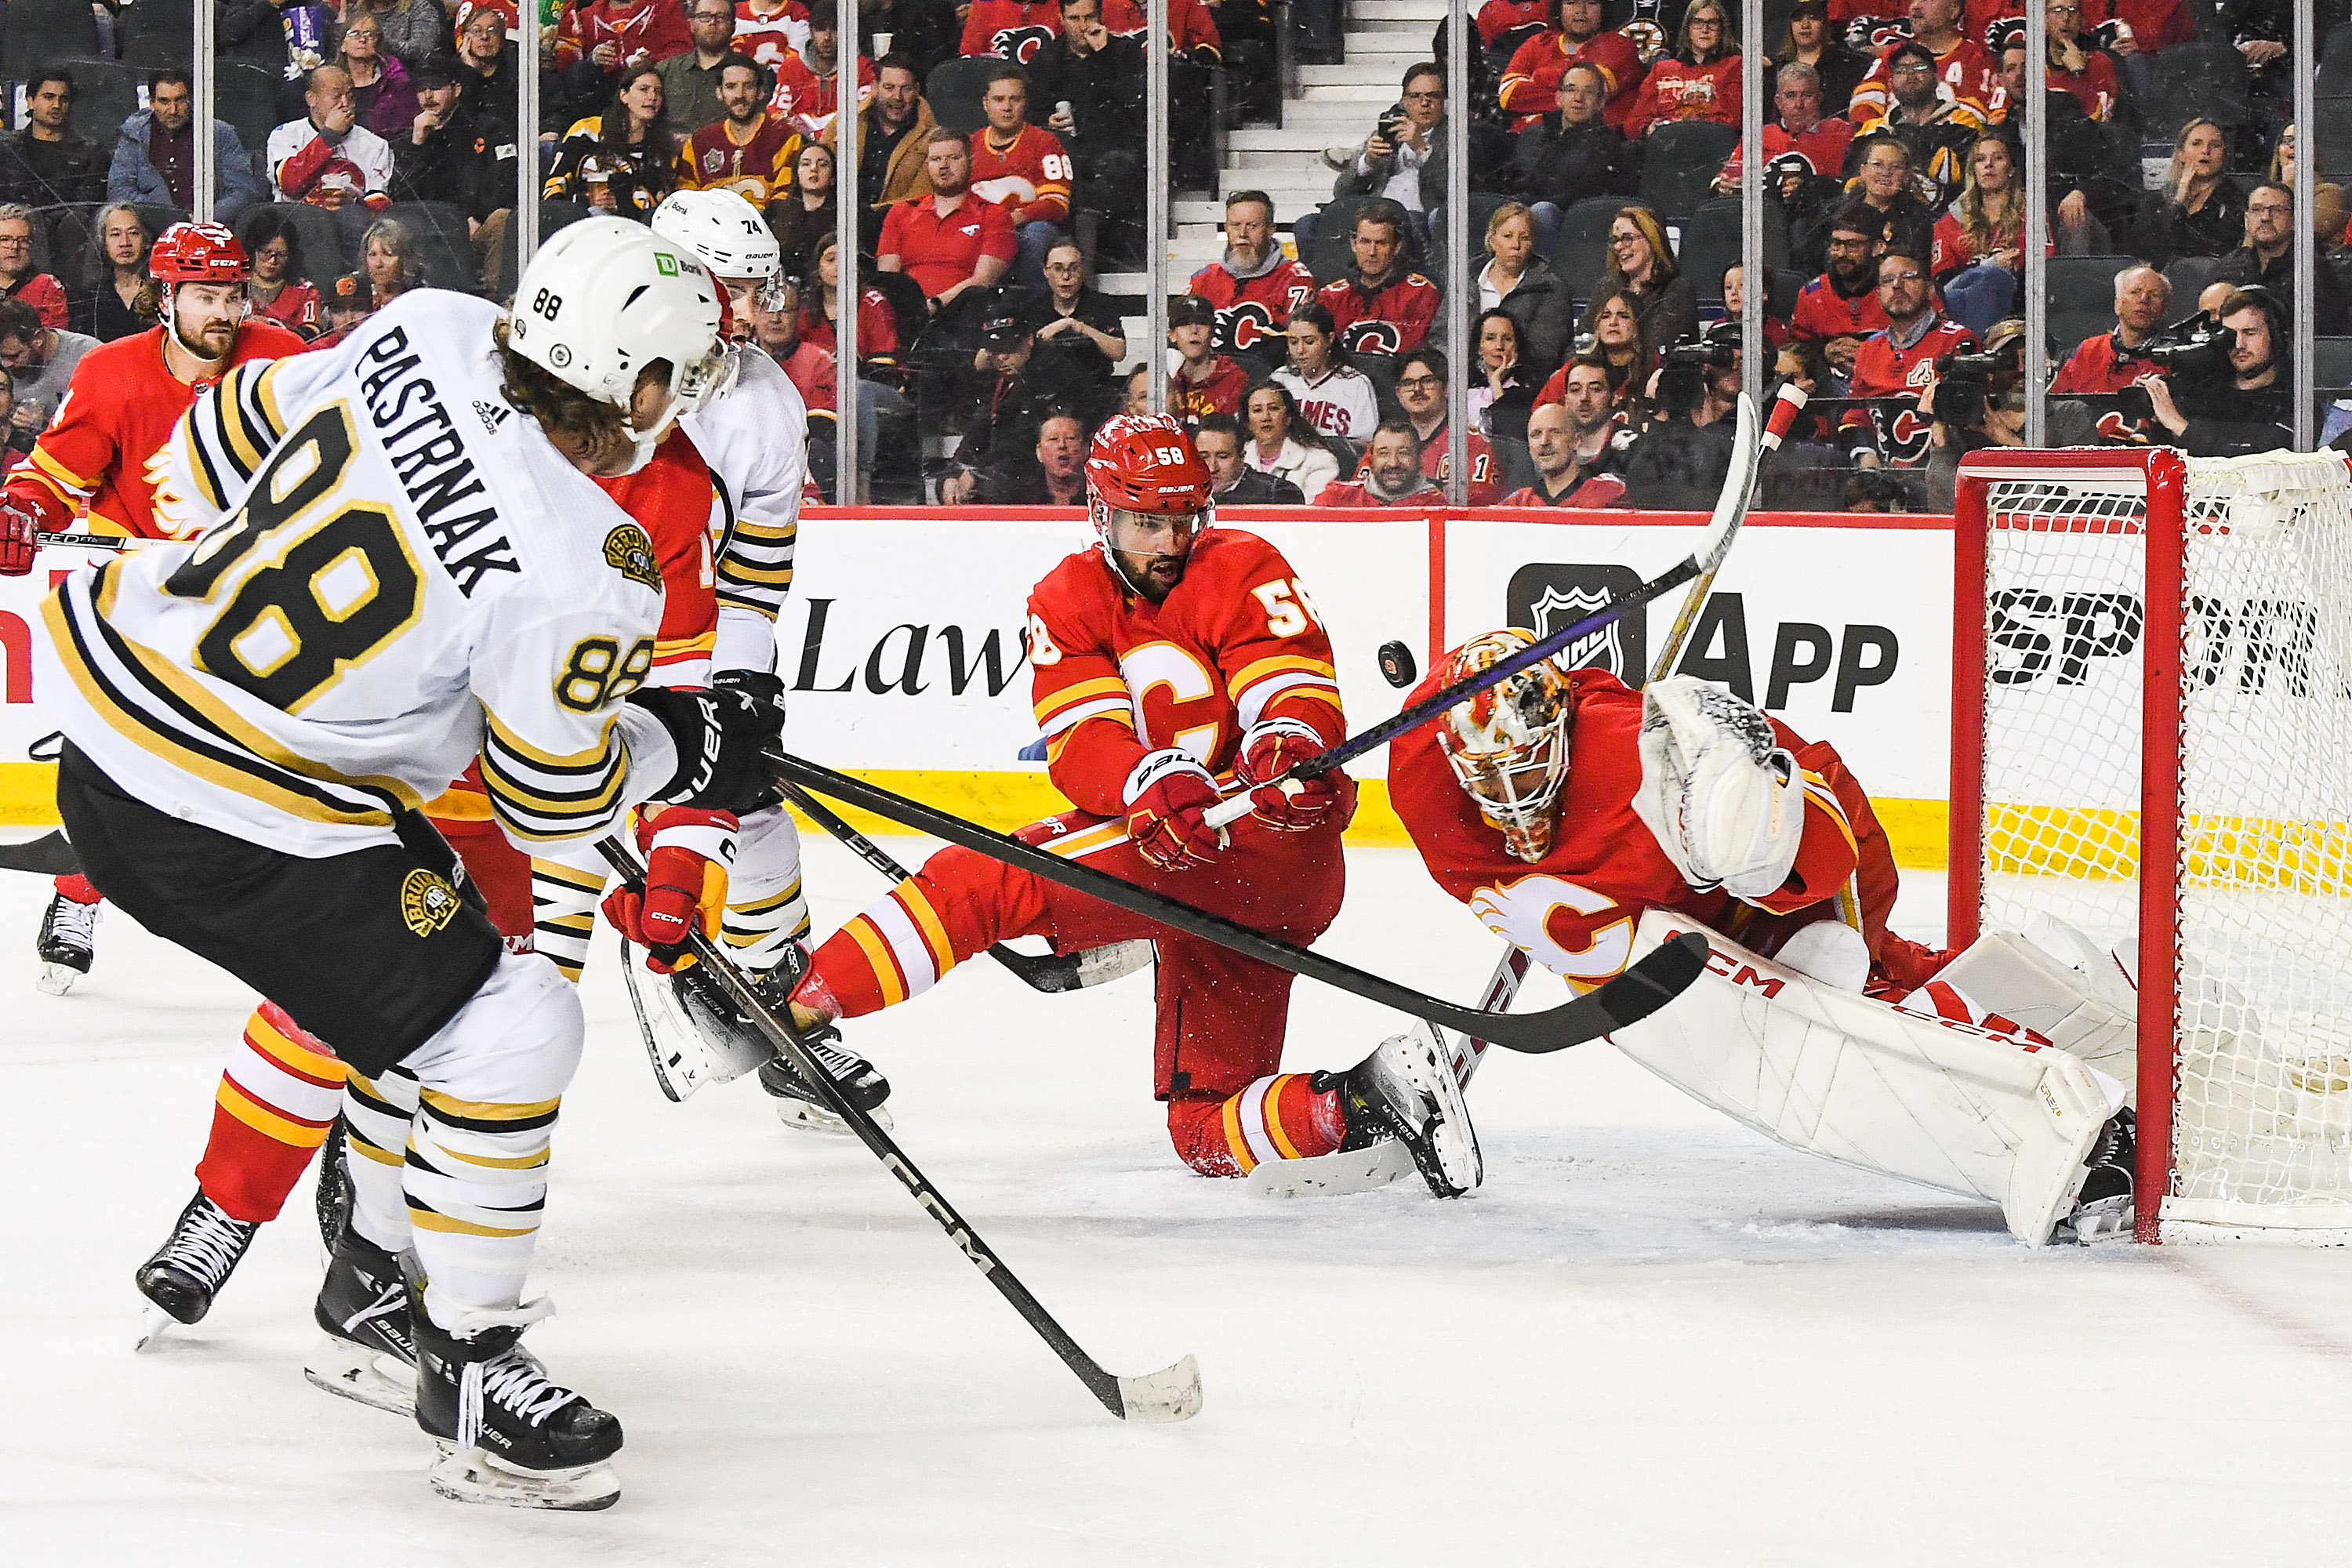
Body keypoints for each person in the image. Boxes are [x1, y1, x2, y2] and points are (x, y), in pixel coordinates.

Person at [9, 215, 750, 1511]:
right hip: (235, 818)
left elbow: (226, 430)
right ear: (636, 384)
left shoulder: (432, 326)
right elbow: (553, 796)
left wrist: (216, 568)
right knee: (513, 1029)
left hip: (109, 724)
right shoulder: (594, 567)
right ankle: (462, 1359)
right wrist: (683, 743)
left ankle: (364, 1269)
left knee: (403, 995)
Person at [776, 415, 1475, 1192]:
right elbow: (1083, 741)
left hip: (1258, 841)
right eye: (1148, 521)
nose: (1168, 541)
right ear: (1103, 513)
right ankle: (1370, 1097)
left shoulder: (1245, 565)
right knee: (1204, 1127)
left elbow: (1289, 686)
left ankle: (801, 1000)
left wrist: (1286, 747)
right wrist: (1152, 775)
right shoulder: (1068, 597)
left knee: (986, 878)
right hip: (1189, 856)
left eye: (1181, 519)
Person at [1384, 632, 2134, 1244]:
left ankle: (2081, 1125)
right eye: (1489, 776)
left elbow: (1827, 836)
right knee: (1868, 988)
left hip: (1800, 867)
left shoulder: (1643, 763)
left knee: (1843, 993)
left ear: (1566, 735)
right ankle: (2084, 1014)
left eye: (1528, 767)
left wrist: (1745, 835)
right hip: (1679, 938)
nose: (1512, 798)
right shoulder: (1421, 773)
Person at [4, 226, 311, 994]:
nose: (223, 311)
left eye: (233, 295)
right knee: (114, 756)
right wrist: (18, 510)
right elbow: (52, 478)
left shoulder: (279, 357)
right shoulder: (112, 375)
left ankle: (305, 922)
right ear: (165, 297)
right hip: (140, 581)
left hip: (247, 586)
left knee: (284, 758)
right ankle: (77, 894)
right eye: (206, 295)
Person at [1028, 0, 1149, 266]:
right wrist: (1047, 120)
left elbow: (1136, 106)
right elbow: (1030, 112)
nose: (1083, 26)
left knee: (1115, 170)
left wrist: (1102, 56)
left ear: (1102, 16)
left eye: (1089, 17)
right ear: (1061, 18)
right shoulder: (1046, 59)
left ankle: (1100, 259)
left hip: (1115, 148)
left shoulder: (1124, 52)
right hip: (1065, 151)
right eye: (1074, 18)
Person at [938, 309, 1101, 499]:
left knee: (992, 485)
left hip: (1039, 472)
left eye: (1008, 348)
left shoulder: (1055, 373)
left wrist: (976, 471)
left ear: (1029, 340)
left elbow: (1026, 439)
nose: (1001, 357)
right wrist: (953, 473)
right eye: (994, 350)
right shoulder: (999, 377)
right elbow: (978, 431)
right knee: (948, 486)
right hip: (998, 463)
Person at [1841, 244, 1976, 469]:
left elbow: (1967, 422)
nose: (1897, 285)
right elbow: (1855, 417)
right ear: (1878, 294)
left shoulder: (1957, 340)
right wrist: (1867, 463)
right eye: (1887, 280)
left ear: (1930, 288)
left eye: (1909, 277)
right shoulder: (1869, 349)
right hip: (1884, 481)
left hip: (1942, 472)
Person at [878, 129, 1014, 350]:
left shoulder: (994, 215)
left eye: (953, 158)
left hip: (960, 317)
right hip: (907, 316)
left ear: (971, 162)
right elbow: (888, 278)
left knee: (976, 297)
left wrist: (936, 303)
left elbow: (983, 280)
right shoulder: (901, 212)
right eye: (936, 159)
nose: (944, 165)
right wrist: (916, 308)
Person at [2137, 287, 2292, 459]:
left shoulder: (2297, 399)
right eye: (2229, 335)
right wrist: (2158, 419)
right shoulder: (2204, 393)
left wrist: (2179, 425)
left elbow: (2263, 457)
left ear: (2277, 335)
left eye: (2250, 333)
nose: (2239, 344)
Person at [110, 69, 267, 228]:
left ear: (191, 99)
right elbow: (119, 190)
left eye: (180, 100)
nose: (173, 110)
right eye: (164, 101)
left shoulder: (220, 133)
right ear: (151, 103)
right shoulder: (134, 134)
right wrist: (168, 218)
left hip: (210, 229)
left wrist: (201, 220)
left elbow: (242, 191)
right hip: (151, 230)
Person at [1188, 191, 1319, 372]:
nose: (1242, 234)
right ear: (1226, 228)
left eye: (1253, 226)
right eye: (1235, 225)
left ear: (1271, 230)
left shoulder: (1295, 279)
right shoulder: (1203, 278)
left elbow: (1290, 345)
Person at [967, 65, 1073, 291]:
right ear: (985, 103)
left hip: (1025, 228)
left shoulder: (1045, 142)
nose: (1007, 107)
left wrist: (1016, 217)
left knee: (1038, 235)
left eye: (1014, 99)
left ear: (1025, 103)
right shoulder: (970, 146)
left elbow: (1057, 203)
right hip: (980, 228)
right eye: (999, 99)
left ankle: (1035, 310)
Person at [1508, 62, 1639, 233]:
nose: (1578, 98)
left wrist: (1522, 205)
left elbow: (1569, 198)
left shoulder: (1606, 145)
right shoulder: (1532, 134)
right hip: (1518, 216)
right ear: (1558, 97)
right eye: (1571, 89)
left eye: (1589, 92)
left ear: (1601, 102)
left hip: (1567, 226)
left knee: (1542, 212)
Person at [824, 53, 937, 249]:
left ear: (917, 90)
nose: (897, 98)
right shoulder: (846, 122)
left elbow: (920, 199)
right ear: (875, 87)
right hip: (836, 222)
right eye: (889, 88)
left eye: (906, 89)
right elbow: (821, 161)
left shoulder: (933, 138)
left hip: (895, 231)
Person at [1361, 348, 1501, 504]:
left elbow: (1483, 501)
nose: (1417, 389)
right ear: (1399, 394)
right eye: (1408, 383)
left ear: (1447, 389)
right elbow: (1360, 499)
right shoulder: (1385, 443)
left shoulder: (1472, 443)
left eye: (1427, 381)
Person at [269, 64, 397, 229]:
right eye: (336, 96)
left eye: (350, 95)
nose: (345, 103)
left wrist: (355, 201)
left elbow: (380, 206)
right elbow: (291, 184)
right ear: (311, 99)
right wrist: (329, 135)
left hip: (351, 230)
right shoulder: (285, 134)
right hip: (295, 228)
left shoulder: (376, 145)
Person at [543, 64, 679, 219]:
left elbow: (658, 202)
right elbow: (556, 181)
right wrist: (583, 201)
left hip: (632, 226)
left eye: (658, 92)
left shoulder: (663, 149)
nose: (652, 97)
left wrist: (620, 202)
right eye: (644, 89)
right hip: (577, 219)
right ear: (624, 96)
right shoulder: (587, 130)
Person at [1847, 42, 1974, 205]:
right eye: (1901, 70)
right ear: (1891, 83)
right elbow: (1850, 186)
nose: (1910, 74)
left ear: (1936, 79)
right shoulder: (1871, 131)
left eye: (1919, 68)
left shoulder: (1964, 126)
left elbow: (1970, 191)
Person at [1918, 317, 2026, 510]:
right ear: (1990, 371)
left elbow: (2057, 499)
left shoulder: (2069, 414)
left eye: (2029, 359)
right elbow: (1944, 507)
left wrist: (2005, 438)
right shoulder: (1964, 420)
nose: (2021, 369)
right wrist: (1938, 430)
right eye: (2009, 361)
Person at [2212, 183, 2348, 336]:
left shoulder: (2316, 272)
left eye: (2277, 210)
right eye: (2257, 210)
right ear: (2246, 219)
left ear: (2294, 220)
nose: (2265, 218)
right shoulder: (2228, 267)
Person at [1331, 63, 1453, 227]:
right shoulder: (1390, 130)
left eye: (1433, 95)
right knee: (1308, 224)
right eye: (1416, 96)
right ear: (1405, 101)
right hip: (1377, 218)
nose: (1425, 103)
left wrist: (1421, 148)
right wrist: (1368, 162)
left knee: (1412, 220)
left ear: (1443, 101)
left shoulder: (1456, 136)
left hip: (1420, 221)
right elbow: (1341, 192)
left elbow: (1448, 192)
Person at [1497, 0, 1647, 132]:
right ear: (1559, 8)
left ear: (1604, 9)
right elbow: (1508, 95)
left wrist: (1539, 80)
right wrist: (1566, 95)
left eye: (1591, 3)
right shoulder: (1538, 43)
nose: (1580, 10)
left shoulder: (1620, 46)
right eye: (1571, 2)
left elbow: (1591, 92)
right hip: (1525, 139)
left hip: (1589, 144)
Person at [1931, 133, 2028, 336]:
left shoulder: (2031, 215)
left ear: (2011, 168)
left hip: (2017, 307)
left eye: (1998, 158)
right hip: (1958, 307)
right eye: (1980, 159)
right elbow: (1941, 281)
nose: (1989, 165)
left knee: (1995, 278)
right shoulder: (1949, 222)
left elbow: (2044, 265)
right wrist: (1989, 265)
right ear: (1973, 169)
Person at [1315, 200, 1439, 357]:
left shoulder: (1422, 293)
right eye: (1365, 242)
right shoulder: (1330, 296)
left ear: (1397, 246)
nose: (1372, 252)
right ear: (1354, 244)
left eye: (1381, 243)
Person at [1846, 0, 1997, 130]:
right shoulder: (1893, 54)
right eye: (1913, 1)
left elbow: (1974, 118)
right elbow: (1864, 104)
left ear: (1954, 10)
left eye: (1927, 0)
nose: (1915, 7)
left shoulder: (1975, 57)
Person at [677, 51, 800, 209]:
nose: (740, 95)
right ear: (719, 92)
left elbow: (784, 198)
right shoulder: (699, 143)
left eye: (748, 86)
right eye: (731, 87)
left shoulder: (785, 137)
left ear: (761, 92)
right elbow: (686, 199)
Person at [1714, 61, 1853, 197]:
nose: (1799, 104)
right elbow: (1726, 177)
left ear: (1819, 98)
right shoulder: (1759, 136)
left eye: (1807, 95)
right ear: (1778, 101)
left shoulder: (1841, 132)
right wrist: (1724, 185)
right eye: (1791, 96)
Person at [1803, 133, 1933, 279]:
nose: (1886, 173)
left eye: (1896, 167)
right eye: (1877, 165)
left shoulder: (1918, 217)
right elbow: (1809, 260)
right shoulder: (1835, 211)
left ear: (1906, 176)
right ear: (1863, 171)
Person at [1581, 205, 1695, 358]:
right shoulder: (1607, 287)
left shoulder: (1677, 289)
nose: (1619, 246)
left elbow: (1656, 349)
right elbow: (1582, 340)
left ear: (1652, 240)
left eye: (1628, 239)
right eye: (1615, 240)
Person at [1477, 201, 1574, 378]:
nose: (1516, 245)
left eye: (1525, 238)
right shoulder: (1465, 279)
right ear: (1492, 241)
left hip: (1522, 385)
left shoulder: (1549, 286)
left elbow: (1543, 354)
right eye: (1508, 236)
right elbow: (1442, 337)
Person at [1623, 0, 1742, 140]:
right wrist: (1648, 128)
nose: (1705, 29)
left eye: (1712, 23)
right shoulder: (1662, 69)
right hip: (1667, 144)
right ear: (1688, 28)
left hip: (1712, 143)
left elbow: (1734, 120)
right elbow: (1633, 123)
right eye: (1697, 22)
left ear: (1722, 29)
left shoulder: (1734, 66)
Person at [2050, 261, 2167, 404]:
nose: (2144, 299)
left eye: (2154, 295)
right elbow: (2055, 407)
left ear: (2164, 310)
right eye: (2135, 292)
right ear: (2117, 305)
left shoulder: (2172, 359)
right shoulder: (2088, 351)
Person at [2136, 118, 2245, 267]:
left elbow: (2219, 250)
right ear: (2181, 154)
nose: (2205, 150)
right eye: (2196, 143)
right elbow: (2150, 250)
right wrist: (2179, 200)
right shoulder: (2155, 201)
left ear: (2224, 155)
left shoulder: (2235, 200)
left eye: (2215, 145)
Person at [1792, 203, 1887, 375]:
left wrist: (1872, 352)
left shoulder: (1897, 290)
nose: (1842, 253)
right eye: (1836, 244)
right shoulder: (1811, 295)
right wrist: (1824, 351)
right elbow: (1796, 351)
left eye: (1852, 245)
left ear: (1877, 247)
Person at [0, 69, 109, 209]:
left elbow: (86, 209)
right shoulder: (7, 148)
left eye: (63, 99)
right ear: (31, 101)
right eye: (49, 97)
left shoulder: (92, 153)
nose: (57, 105)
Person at [1027, 236, 1127, 390]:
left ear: (1083, 270)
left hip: (1095, 390)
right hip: (1045, 391)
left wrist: (1078, 326)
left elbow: (1119, 352)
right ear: (1046, 271)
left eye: (1073, 268)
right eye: (1058, 268)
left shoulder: (1102, 304)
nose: (1066, 276)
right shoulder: (1033, 308)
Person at [1271, 303, 1377, 444]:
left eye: (1309, 341)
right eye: (1293, 342)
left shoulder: (1356, 384)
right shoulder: (1279, 379)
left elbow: (1366, 444)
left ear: (1329, 339)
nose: (1300, 350)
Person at [769, 9, 873, 140]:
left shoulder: (862, 67)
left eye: (835, 29)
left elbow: (864, 117)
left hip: (845, 145)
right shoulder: (791, 67)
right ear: (811, 31)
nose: (827, 37)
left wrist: (817, 136)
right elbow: (777, 113)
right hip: (799, 144)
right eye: (821, 29)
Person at [1500, 399, 1625, 506]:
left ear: (1577, 441)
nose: (1544, 441)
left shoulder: (1607, 493)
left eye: (1555, 432)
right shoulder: (1517, 503)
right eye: (1536, 434)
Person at [0, 298, 98, 434]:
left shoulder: (88, 356)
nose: (5, 364)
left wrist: (48, 424)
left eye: (14, 356)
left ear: (38, 338)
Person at [659, 0, 746, 133]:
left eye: (721, 17)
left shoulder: (749, 72)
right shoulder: (666, 70)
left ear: (733, 26)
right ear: (692, 24)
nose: (713, 22)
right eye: (704, 16)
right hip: (671, 151)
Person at [1243, 380, 1339, 499]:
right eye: (1257, 410)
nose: (1265, 417)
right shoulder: (1233, 459)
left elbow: (1314, 514)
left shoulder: (1320, 462)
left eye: (1273, 408)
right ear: (1248, 422)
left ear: (1288, 417)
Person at [974, 407, 1091, 503]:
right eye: (1053, 439)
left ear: (1086, 449)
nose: (1062, 445)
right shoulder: (1020, 497)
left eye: (1071, 438)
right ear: (1039, 452)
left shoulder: (1100, 495)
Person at [1773, 0, 1871, 115]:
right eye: (1798, 19)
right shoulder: (1777, 68)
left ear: (1824, 24)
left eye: (1813, 18)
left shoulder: (1849, 64)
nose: (1805, 26)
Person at [239, 209, 325, 338]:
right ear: (252, 251)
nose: (273, 261)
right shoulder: (235, 285)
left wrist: (272, 328)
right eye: (266, 253)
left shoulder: (305, 292)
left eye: (281, 255)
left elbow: (311, 331)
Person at [1314, 419, 1440, 506]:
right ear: (1372, 457)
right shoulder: (1337, 498)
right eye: (1384, 453)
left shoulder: (1436, 504)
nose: (1393, 463)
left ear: (1420, 457)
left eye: (1403, 453)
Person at [336, 13, 421, 141]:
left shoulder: (398, 80)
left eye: (370, 34)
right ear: (343, 45)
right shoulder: (332, 82)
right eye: (355, 34)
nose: (363, 40)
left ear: (378, 44)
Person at [1166, 294, 1250, 423]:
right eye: (1184, 324)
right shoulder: (1168, 384)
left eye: (1202, 323)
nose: (1194, 330)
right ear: (1171, 334)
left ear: (1213, 332)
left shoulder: (1235, 379)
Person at [1531, 354, 1624, 471]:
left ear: (1615, 398)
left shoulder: (1635, 451)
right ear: (1566, 400)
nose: (1584, 397)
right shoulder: (1548, 453)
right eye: (1575, 390)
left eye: (1595, 389)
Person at [75, 204, 151, 343]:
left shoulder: (161, 292)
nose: (125, 242)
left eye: (133, 233)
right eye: (115, 234)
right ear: (104, 243)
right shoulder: (92, 297)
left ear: (146, 240)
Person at [1194, 411, 1303, 504]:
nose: (1212, 468)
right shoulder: (1183, 494)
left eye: (1223, 457)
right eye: (1204, 457)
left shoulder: (1277, 494)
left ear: (1242, 457)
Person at [1470, 309, 1541, 443]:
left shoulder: (1530, 394)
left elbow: (1513, 435)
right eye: (1491, 338)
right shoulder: (1465, 393)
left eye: (1507, 339)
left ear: (1517, 347)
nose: (1499, 346)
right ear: (1480, 347)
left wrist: (1496, 382)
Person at [771, 139, 840, 274]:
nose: (814, 169)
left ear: (833, 177)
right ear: (797, 172)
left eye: (823, 165)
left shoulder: (844, 214)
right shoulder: (776, 210)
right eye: (806, 164)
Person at [0, 205, 69, 332]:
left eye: (23, 240)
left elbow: (51, 340)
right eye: (5, 239)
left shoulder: (46, 286)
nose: (14, 247)